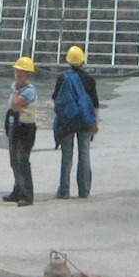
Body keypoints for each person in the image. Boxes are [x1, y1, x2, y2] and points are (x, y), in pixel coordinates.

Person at [51, 45, 98, 199]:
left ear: (68, 61)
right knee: (84, 153)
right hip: (85, 120)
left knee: (67, 155)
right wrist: (95, 123)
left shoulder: (62, 78)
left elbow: (56, 99)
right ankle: (84, 191)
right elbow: (95, 104)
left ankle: (64, 190)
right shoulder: (90, 80)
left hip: (68, 121)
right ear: (83, 61)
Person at [2, 56, 39, 206]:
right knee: (14, 161)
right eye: (16, 72)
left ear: (27, 74)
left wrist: (16, 91)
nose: (17, 75)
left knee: (22, 160)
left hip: (25, 128)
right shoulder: (15, 87)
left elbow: (15, 104)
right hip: (14, 126)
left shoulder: (29, 91)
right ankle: (17, 191)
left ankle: (27, 195)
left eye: (20, 72)